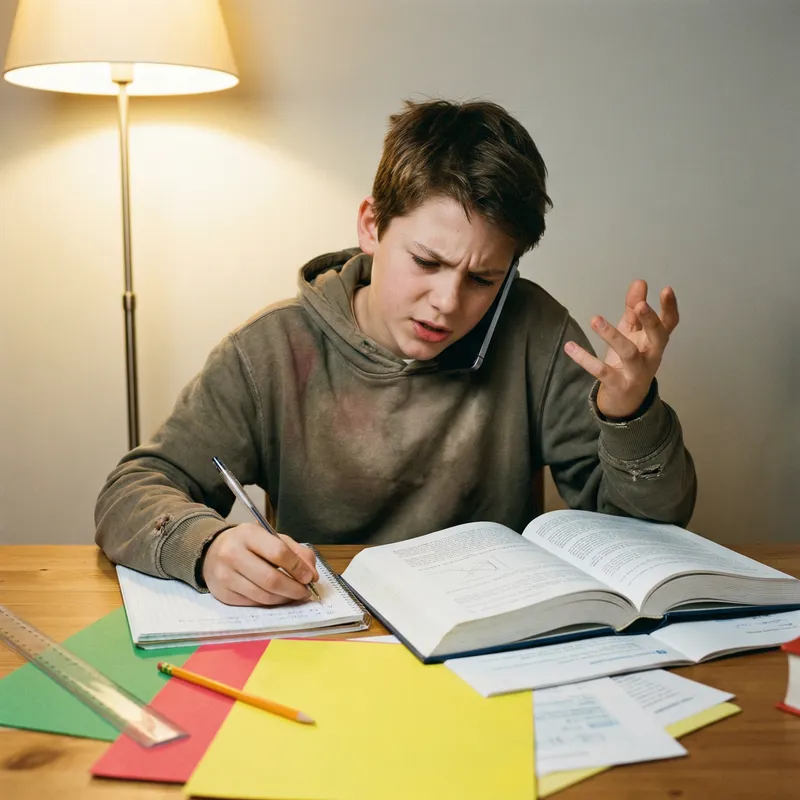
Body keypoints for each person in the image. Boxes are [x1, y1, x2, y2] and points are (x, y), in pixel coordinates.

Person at [95, 98, 696, 608]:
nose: (447, 302)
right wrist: (206, 547)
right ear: (371, 224)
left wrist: (629, 415)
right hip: (324, 634)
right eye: (427, 262)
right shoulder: (271, 351)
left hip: (492, 639)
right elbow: (131, 490)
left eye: (484, 279)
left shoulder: (536, 332)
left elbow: (645, 531)